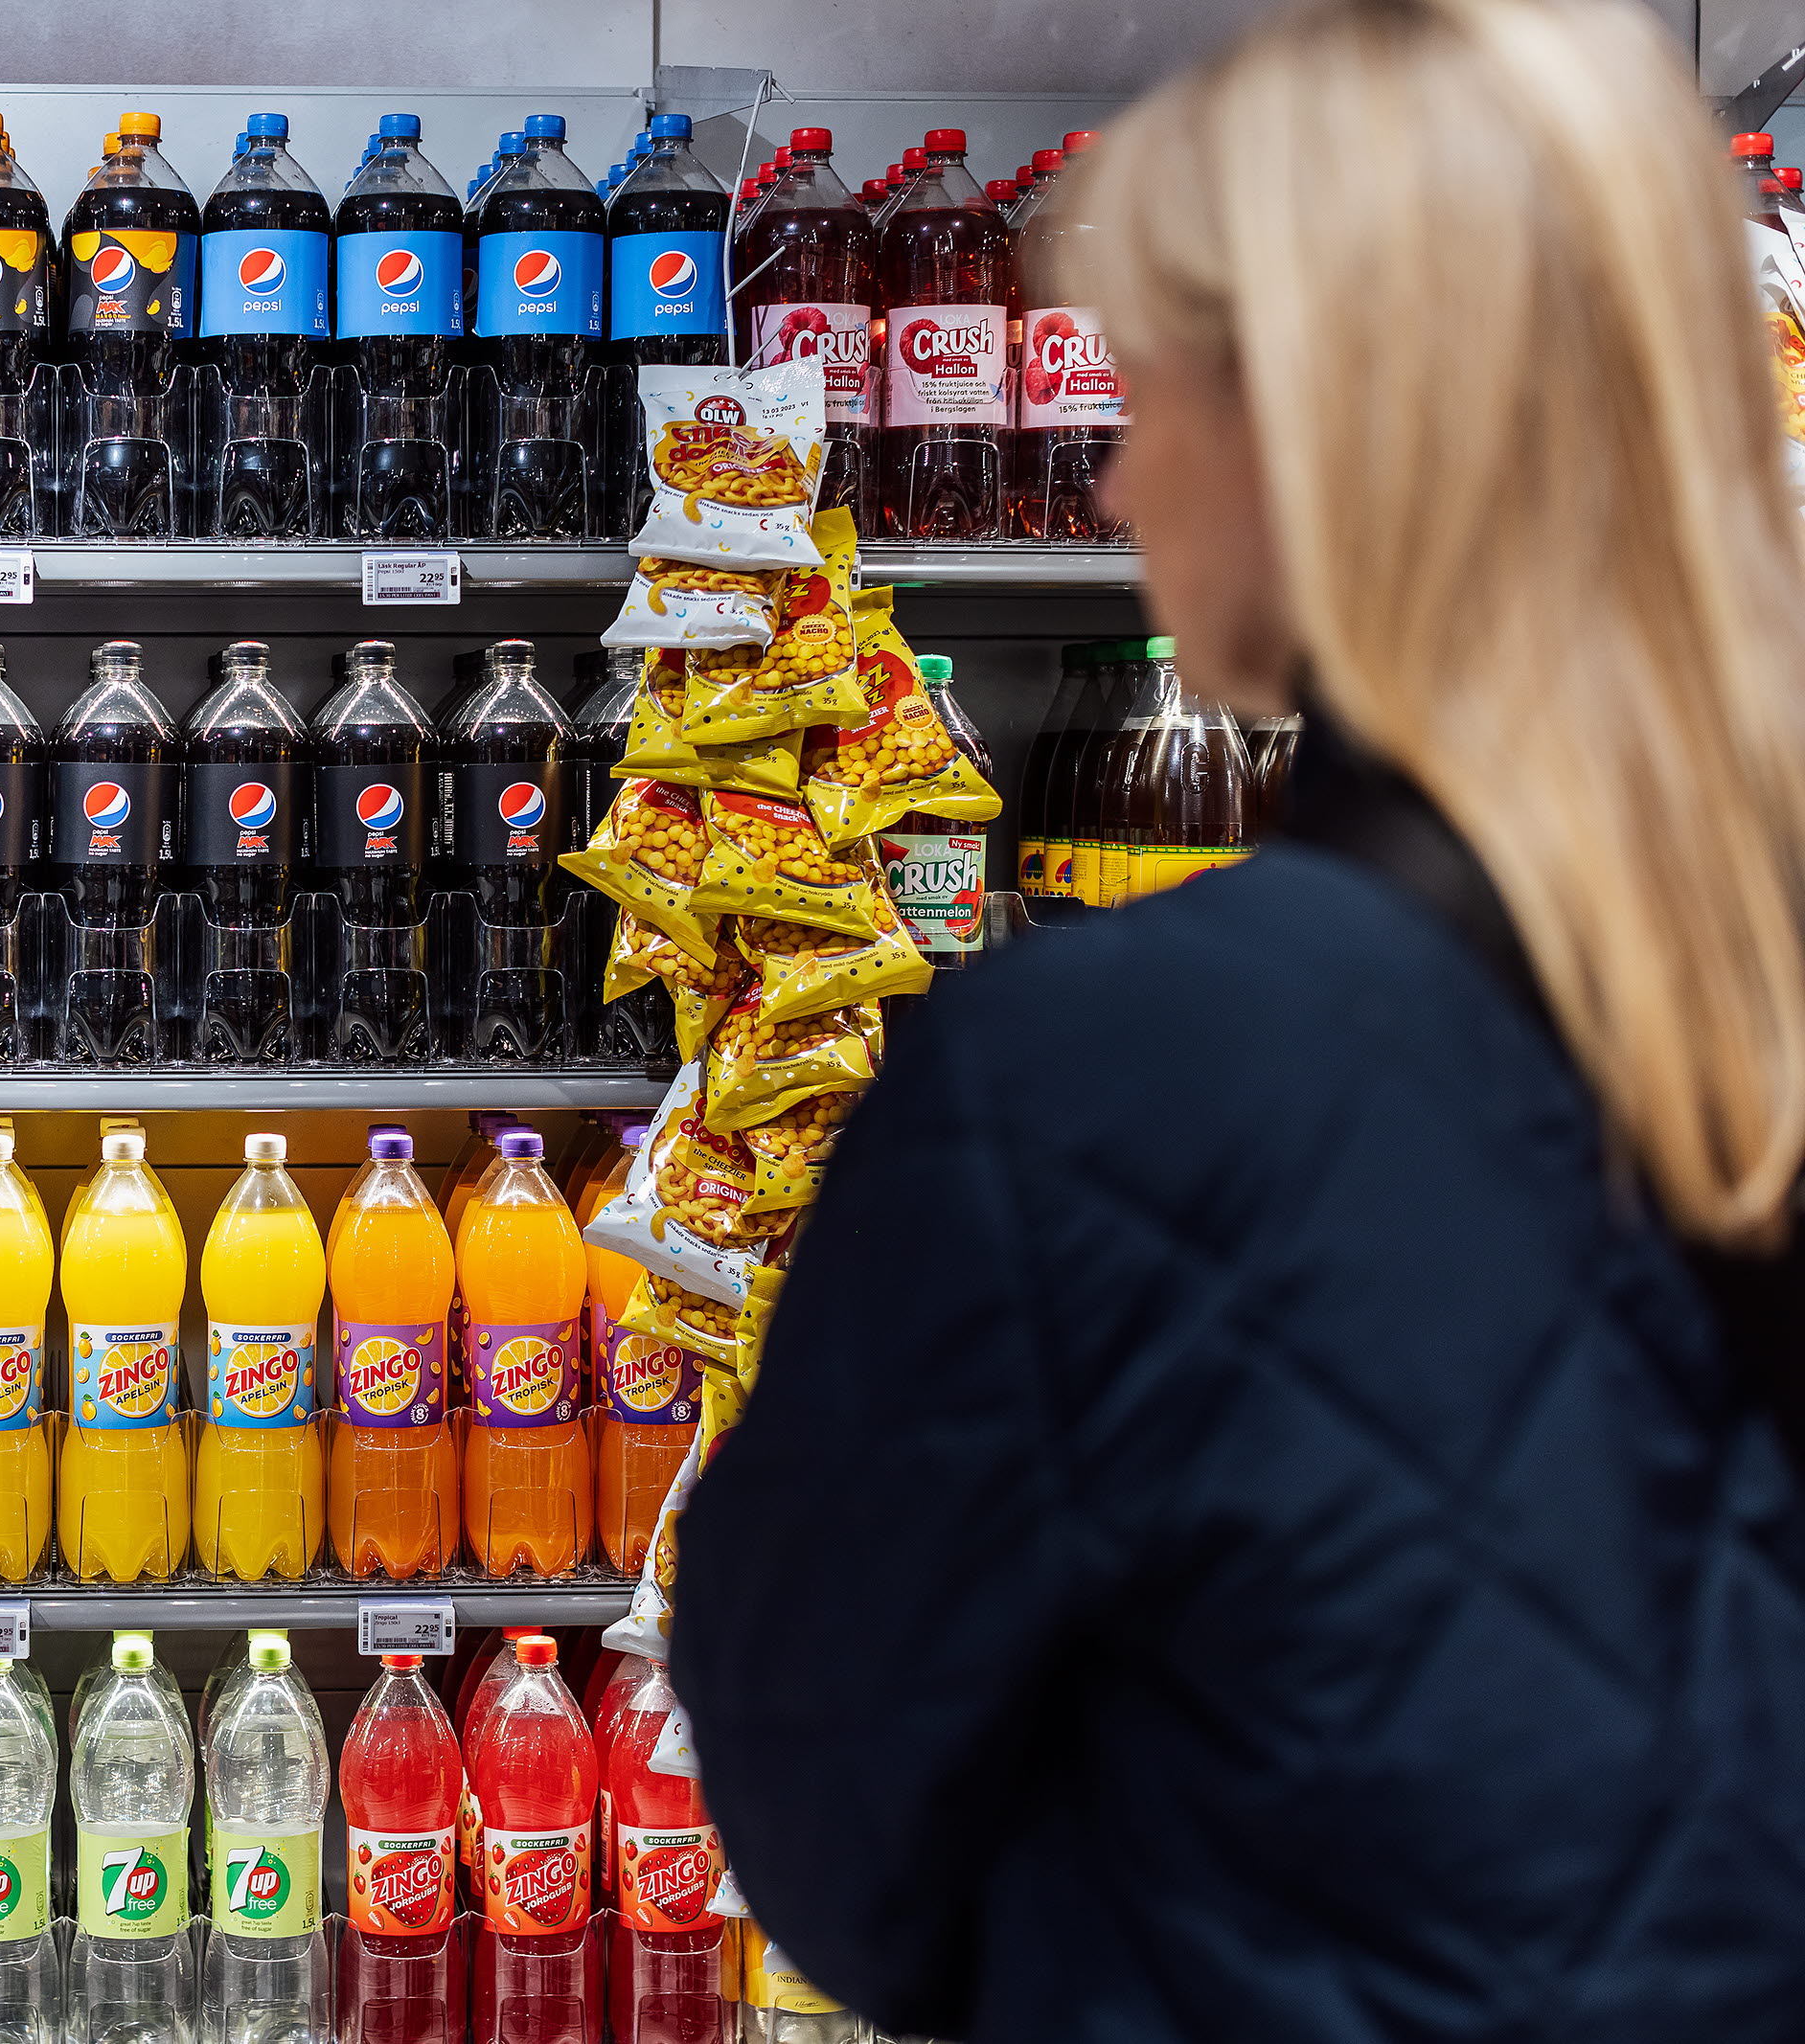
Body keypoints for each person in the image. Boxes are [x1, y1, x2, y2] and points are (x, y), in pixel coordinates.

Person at [671, 3, 1805, 2041]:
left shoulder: (1090, 1075)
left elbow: (833, 1817)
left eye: (1151, 381)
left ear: (1321, 429)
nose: (1107, 459)